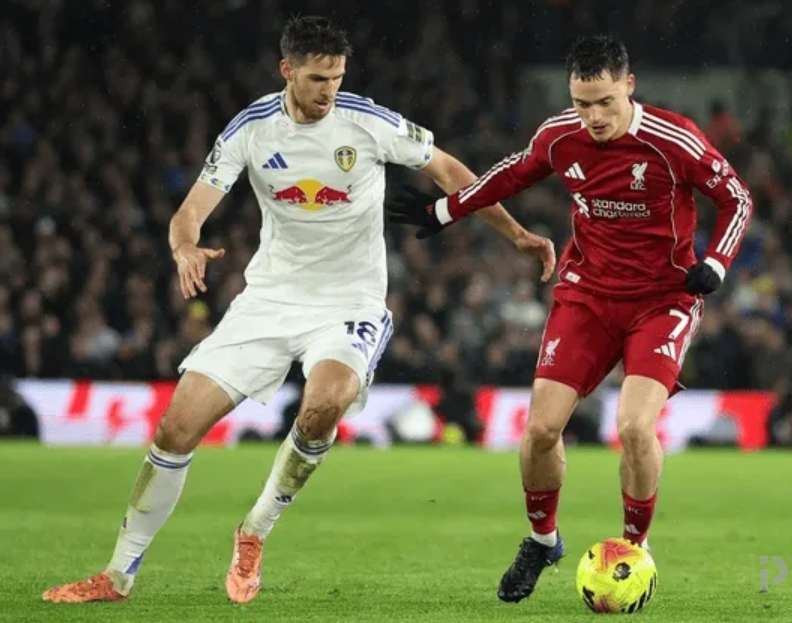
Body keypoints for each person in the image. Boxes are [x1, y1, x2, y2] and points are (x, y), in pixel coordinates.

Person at [42, 15, 554, 605]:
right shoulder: (251, 128)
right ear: (287, 70)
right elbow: (191, 211)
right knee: (175, 428)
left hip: (350, 302)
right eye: (316, 79)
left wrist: (516, 234)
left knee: (326, 403)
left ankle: (254, 531)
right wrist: (184, 247)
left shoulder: (367, 121)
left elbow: (448, 170)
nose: (328, 90)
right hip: (268, 299)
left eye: (337, 77)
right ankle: (117, 576)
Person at [388, 34, 752, 603]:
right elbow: (511, 173)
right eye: (582, 103)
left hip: (663, 300)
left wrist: (717, 262)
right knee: (539, 430)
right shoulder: (560, 135)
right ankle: (542, 541)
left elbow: (737, 198)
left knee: (634, 428)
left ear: (629, 86)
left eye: (605, 101)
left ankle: (635, 550)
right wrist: (444, 210)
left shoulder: (672, 139)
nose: (594, 116)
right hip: (587, 297)